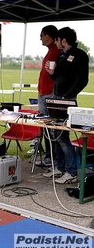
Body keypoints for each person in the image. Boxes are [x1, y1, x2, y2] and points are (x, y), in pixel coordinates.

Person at [43, 27, 89, 184]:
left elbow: (83, 80)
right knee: (55, 133)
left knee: (63, 136)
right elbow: (57, 76)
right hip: (57, 98)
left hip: (67, 99)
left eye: (57, 39)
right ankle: (58, 167)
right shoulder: (62, 55)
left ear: (64, 40)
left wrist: (67, 96)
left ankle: (71, 172)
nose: (56, 42)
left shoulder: (80, 55)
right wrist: (51, 72)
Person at [34, 25, 60, 166]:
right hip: (44, 92)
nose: (41, 39)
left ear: (48, 36)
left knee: (52, 129)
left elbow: (53, 73)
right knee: (46, 128)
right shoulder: (51, 51)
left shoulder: (56, 51)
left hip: (50, 93)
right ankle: (49, 157)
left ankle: (54, 159)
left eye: (42, 36)